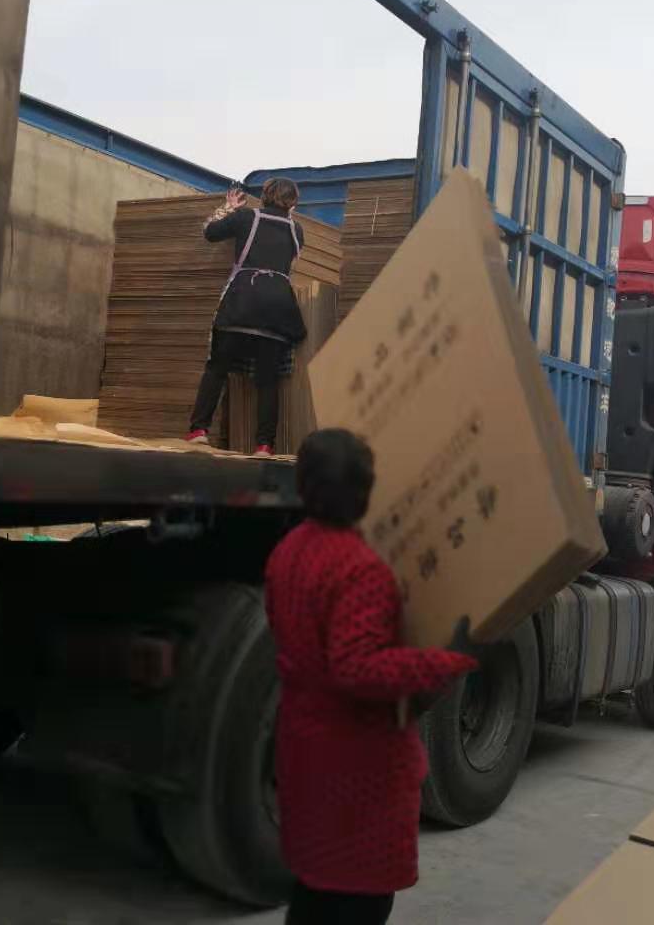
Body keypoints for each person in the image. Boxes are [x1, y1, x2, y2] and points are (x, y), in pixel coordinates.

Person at [265, 429, 479, 925]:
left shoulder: (288, 552)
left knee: (314, 889)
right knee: (357, 898)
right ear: (365, 494)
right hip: (356, 767)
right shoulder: (361, 571)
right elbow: (357, 667)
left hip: (304, 749)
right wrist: (447, 658)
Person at [186, 178, 307, 457]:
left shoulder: (245, 217)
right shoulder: (296, 230)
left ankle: (198, 431)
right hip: (278, 310)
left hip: (242, 303)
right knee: (268, 379)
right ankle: (264, 445)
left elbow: (210, 233)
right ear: (293, 203)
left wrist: (227, 207)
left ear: (264, 196)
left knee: (217, 367)